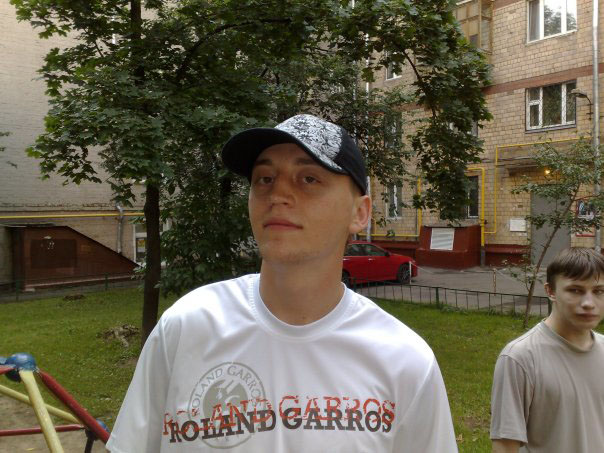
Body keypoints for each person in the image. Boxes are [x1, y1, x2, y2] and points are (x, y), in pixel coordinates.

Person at [106, 114, 457, 452]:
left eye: (309, 179)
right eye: (264, 179)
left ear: (359, 213)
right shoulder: (186, 329)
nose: (277, 194)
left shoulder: (404, 362)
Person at [490, 247, 604, 453]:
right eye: (575, 290)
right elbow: (505, 446)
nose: (589, 303)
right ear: (551, 291)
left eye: (598, 291)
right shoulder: (519, 358)